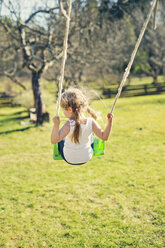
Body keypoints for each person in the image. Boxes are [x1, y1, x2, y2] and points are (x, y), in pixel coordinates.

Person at [51, 87, 113, 165]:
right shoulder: (91, 121)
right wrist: (109, 122)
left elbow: (54, 140)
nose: (63, 112)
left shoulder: (68, 124)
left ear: (69, 109)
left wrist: (56, 125)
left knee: (60, 139)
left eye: (63, 110)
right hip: (86, 157)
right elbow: (104, 137)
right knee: (92, 135)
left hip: (69, 158)